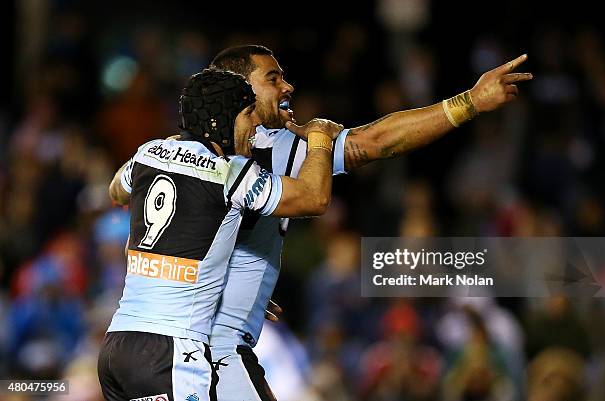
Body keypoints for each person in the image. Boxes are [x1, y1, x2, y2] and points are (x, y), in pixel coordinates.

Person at [206, 45, 533, 401]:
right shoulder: (192, 152)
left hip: (204, 340)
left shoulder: (268, 145)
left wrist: (232, 277)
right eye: (273, 78)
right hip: (203, 342)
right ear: (239, 87)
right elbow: (321, 195)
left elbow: (376, 141)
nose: (288, 87)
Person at [97, 68, 342, 401]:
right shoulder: (231, 172)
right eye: (246, 115)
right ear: (221, 120)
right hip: (171, 351)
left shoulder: (148, 152)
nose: (254, 126)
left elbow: (117, 191)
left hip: (118, 345)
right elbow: (313, 197)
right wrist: (320, 139)